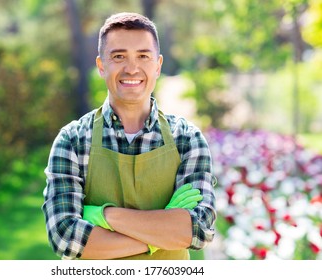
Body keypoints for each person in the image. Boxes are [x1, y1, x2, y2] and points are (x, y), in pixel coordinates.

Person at [42, 12, 216, 260]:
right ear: (102, 66)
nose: (132, 68)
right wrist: (161, 235)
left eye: (143, 56)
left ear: (157, 66)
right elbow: (66, 238)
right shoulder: (73, 140)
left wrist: (104, 216)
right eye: (119, 56)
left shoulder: (187, 140)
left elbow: (199, 231)